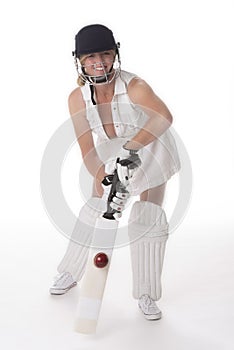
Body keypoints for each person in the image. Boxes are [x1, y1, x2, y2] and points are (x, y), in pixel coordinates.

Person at [49, 24, 181, 321]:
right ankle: (69, 273)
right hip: (113, 158)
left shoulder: (136, 87)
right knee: (94, 209)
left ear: (115, 55)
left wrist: (131, 150)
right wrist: (104, 177)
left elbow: (164, 117)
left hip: (153, 151)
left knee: (146, 218)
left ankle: (146, 294)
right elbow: (87, 149)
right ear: (80, 61)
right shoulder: (77, 98)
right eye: (91, 56)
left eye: (105, 54)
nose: (99, 62)